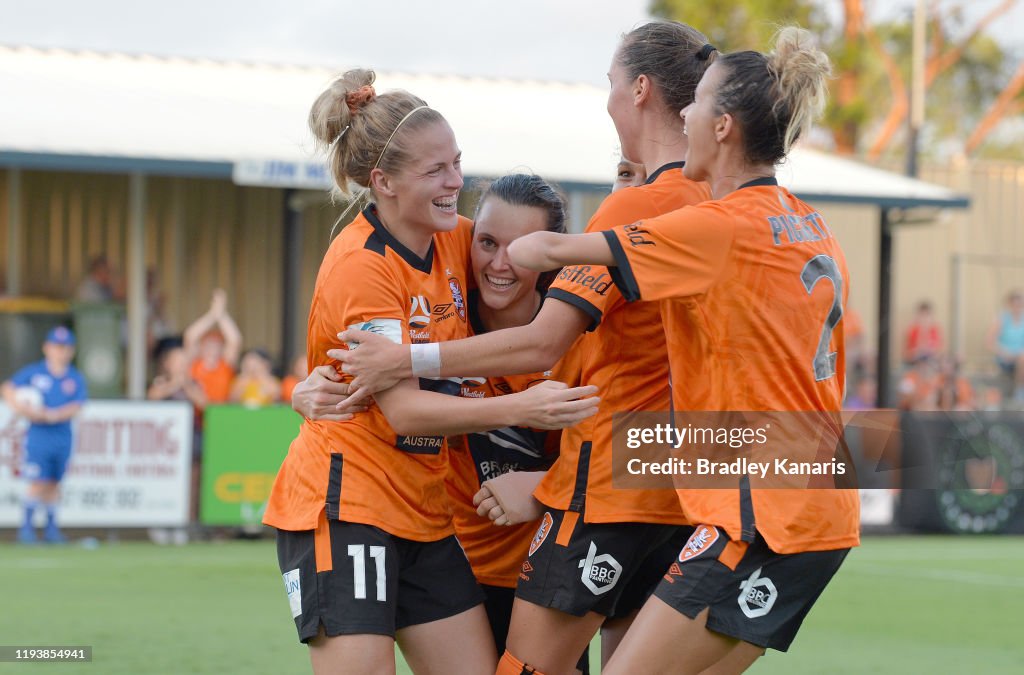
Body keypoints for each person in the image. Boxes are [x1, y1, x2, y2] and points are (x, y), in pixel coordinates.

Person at [330, 22, 716, 674]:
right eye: (487, 242)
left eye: (612, 83)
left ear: (641, 89)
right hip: (685, 492)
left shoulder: (628, 228)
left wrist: (407, 362)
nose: (499, 262)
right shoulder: (724, 203)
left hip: (613, 499)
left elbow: (542, 346)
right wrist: (314, 382)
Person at [499, 27, 859, 673]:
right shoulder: (809, 220)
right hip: (816, 502)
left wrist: (514, 245)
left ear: (722, 127)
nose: (685, 112)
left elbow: (547, 253)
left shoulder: (718, 224)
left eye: (698, 104)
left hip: (761, 512)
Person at [261, 70, 597, 675]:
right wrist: (521, 408)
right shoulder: (361, 268)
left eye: (457, 163)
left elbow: (519, 258)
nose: (454, 183)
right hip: (349, 506)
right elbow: (407, 411)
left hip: (423, 513)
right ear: (381, 182)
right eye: (435, 171)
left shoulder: (459, 239)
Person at [1, 326, 87, 544]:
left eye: (66, 347)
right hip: (39, 437)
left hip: (62, 436)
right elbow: (8, 389)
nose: (61, 352)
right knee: (37, 481)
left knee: (53, 483)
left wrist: (52, 415)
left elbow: (77, 405)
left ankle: (51, 530)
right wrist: (22, 409)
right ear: (47, 348)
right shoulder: (35, 372)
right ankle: (27, 530)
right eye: (57, 347)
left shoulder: (74, 378)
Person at [183, 288, 243, 405]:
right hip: (196, 414)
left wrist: (221, 313)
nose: (212, 349)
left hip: (220, 414)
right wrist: (212, 314)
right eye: (208, 345)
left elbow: (235, 340)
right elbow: (190, 336)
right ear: (200, 348)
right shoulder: (194, 364)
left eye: (216, 346)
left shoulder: (225, 365)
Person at [987, 289, 1024, 403]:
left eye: (1019, 304)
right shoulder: (1002, 319)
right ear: (1010, 304)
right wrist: (1004, 352)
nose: (1017, 307)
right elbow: (989, 342)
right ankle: (1020, 392)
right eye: (1015, 304)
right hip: (1005, 358)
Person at [903, 300, 943, 365]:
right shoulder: (913, 330)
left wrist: (930, 351)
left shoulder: (935, 330)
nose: (924, 318)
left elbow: (938, 352)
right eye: (922, 315)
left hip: (931, 362)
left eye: (927, 315)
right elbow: (907, 354)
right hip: (915, 362)